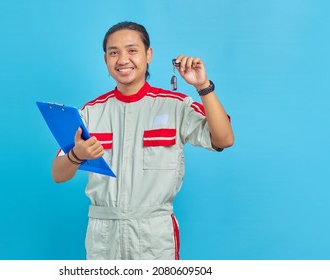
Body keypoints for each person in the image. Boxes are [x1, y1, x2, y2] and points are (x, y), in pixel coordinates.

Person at [51, 21, 234, 260]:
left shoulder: (175, 105)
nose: (122, 59)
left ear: (149, 55)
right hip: (104, 234)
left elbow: (224, 138)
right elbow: (58, 174)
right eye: (113, 52)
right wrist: (77, 156)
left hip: (154, 234)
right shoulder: (90, 113)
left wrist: (202, 86)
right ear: (105, 59)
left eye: (132, 50)